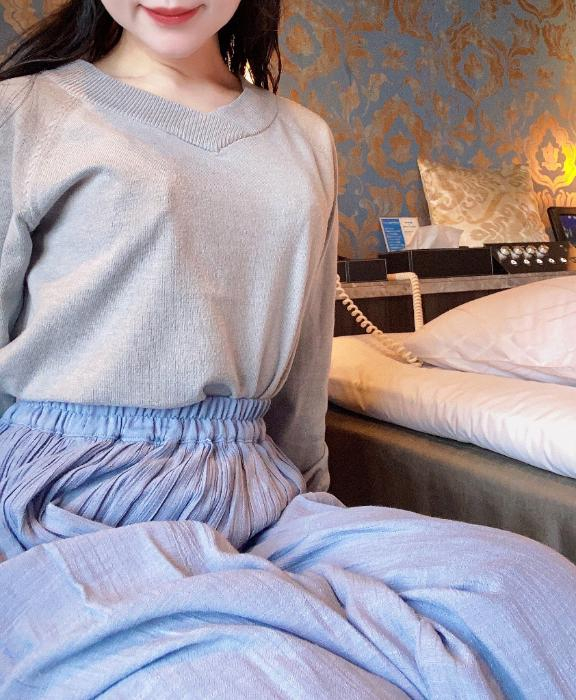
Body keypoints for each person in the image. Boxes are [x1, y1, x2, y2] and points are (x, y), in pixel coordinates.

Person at [0, 1, 575, 698]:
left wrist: (314, 503)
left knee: (532, 591)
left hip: (261, 496)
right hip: (70, 502)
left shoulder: (304, 137)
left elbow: (304, 365)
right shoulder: (25, 111)